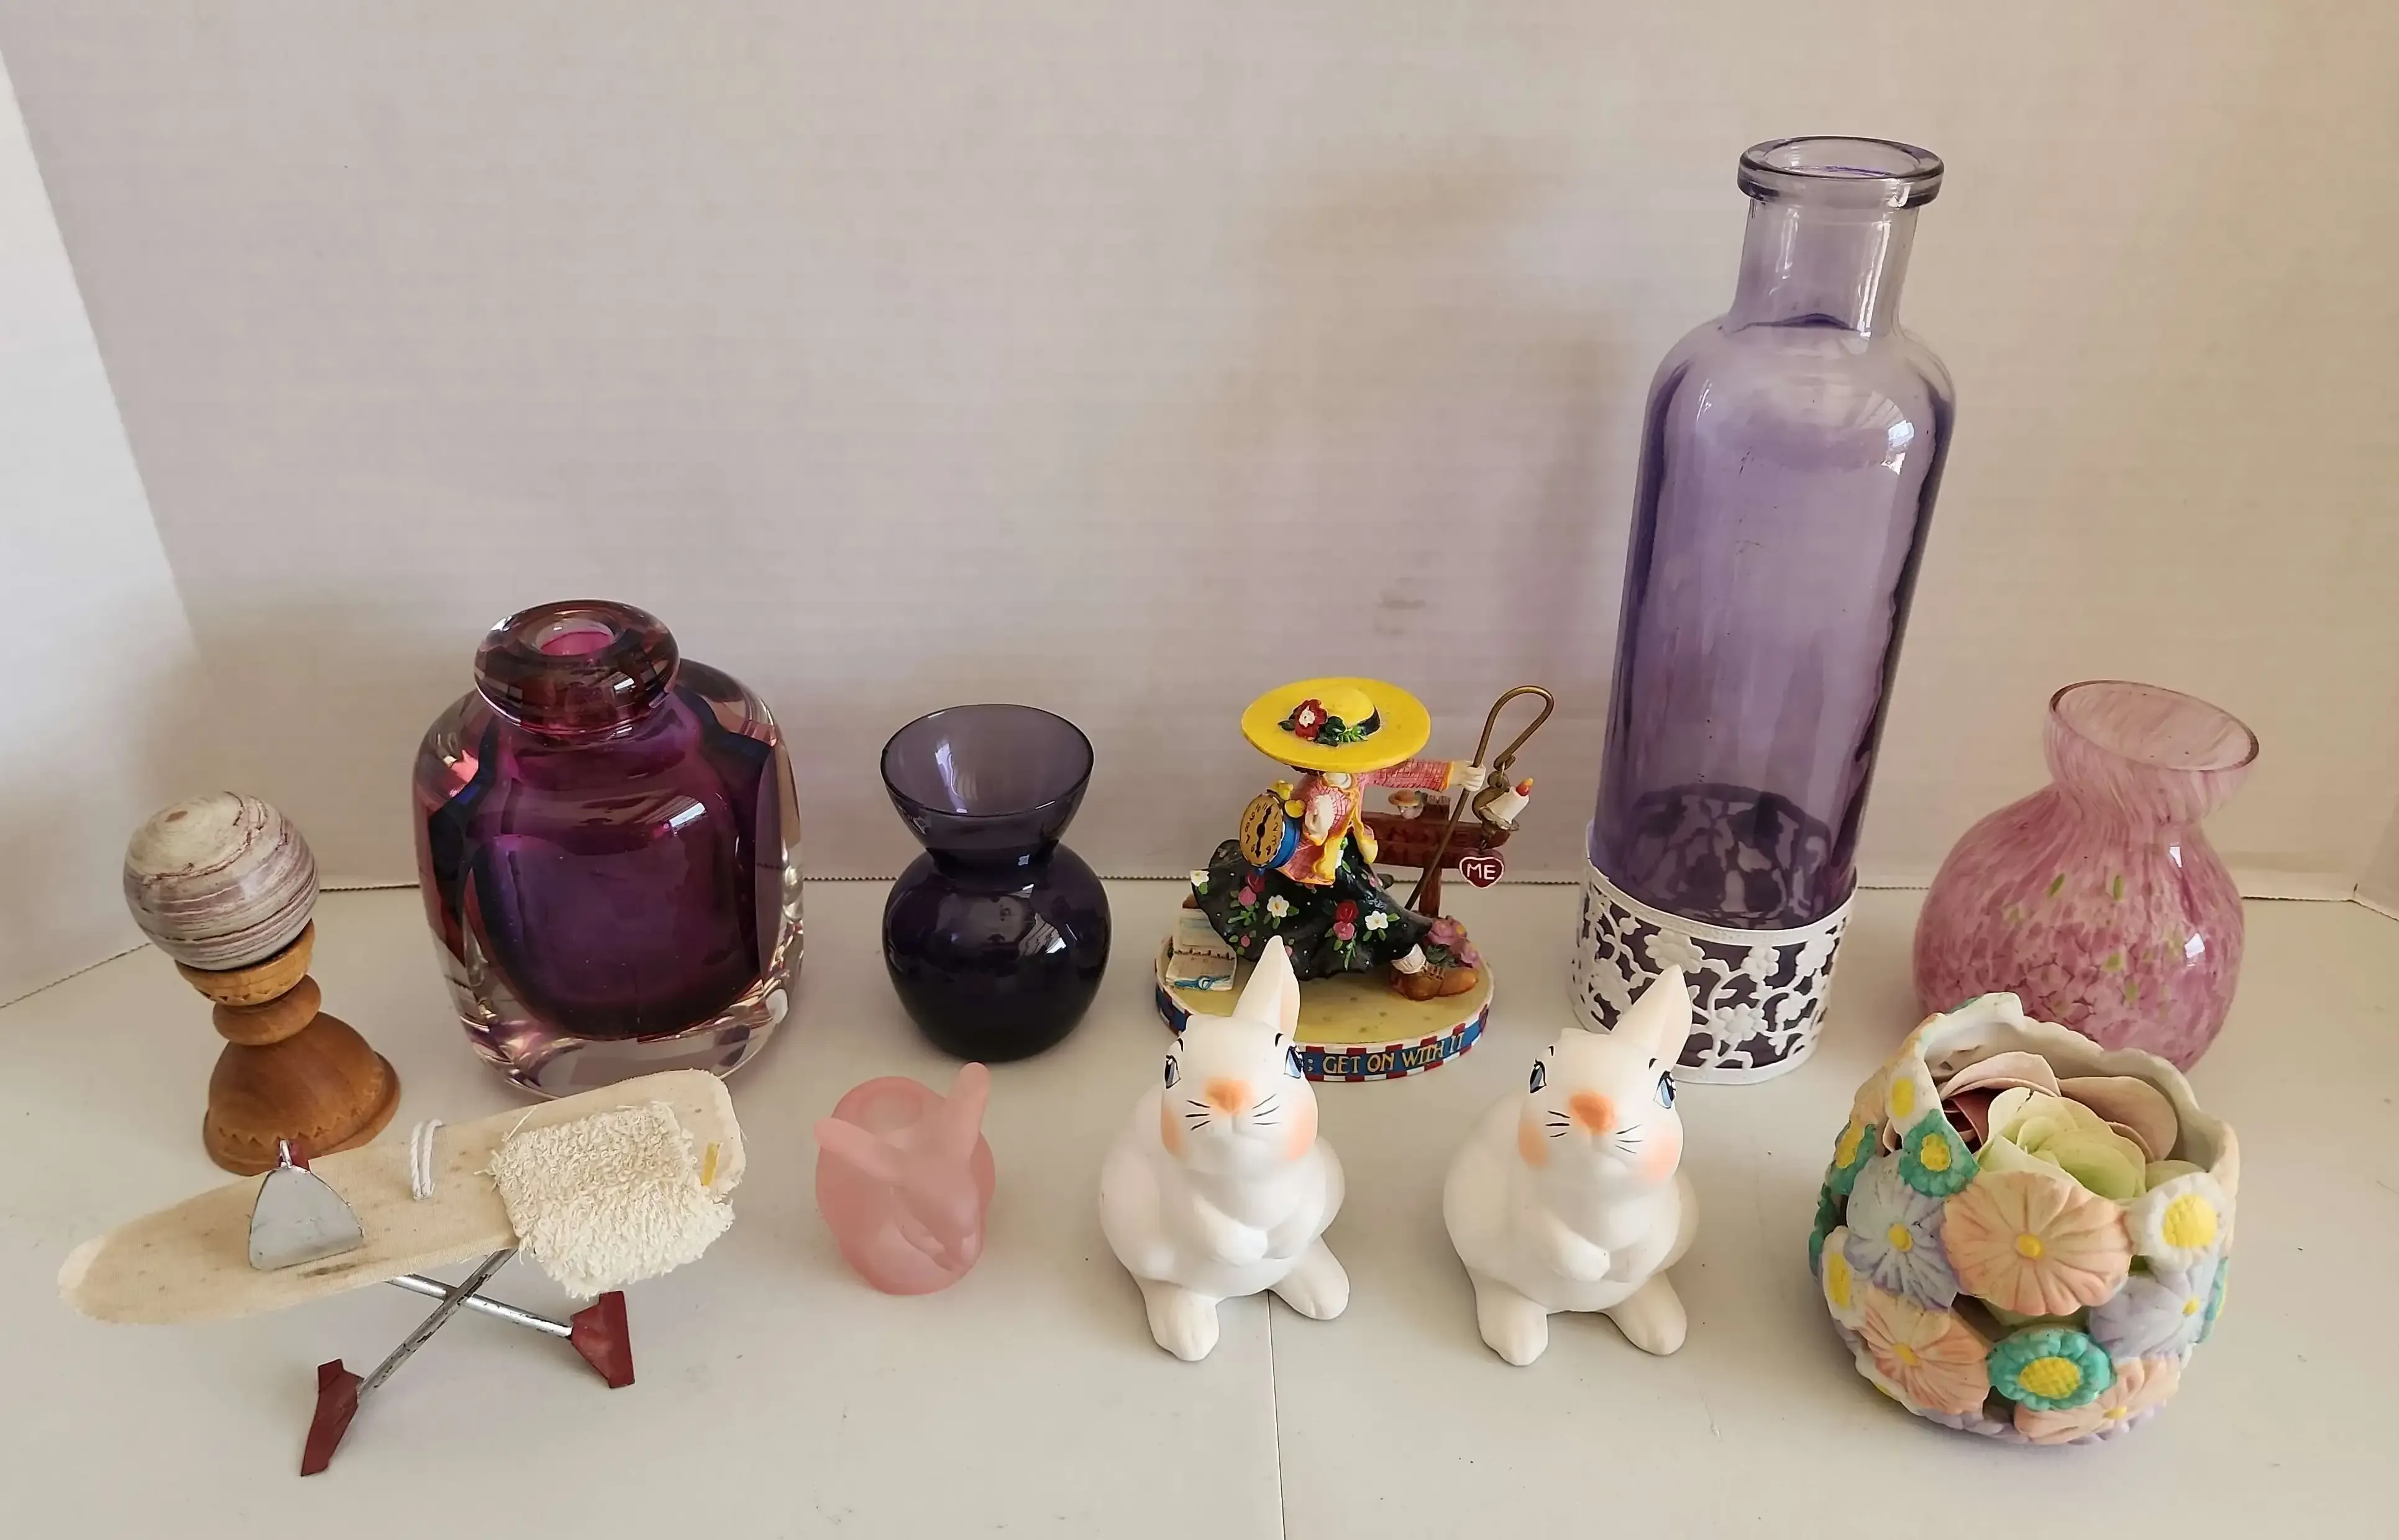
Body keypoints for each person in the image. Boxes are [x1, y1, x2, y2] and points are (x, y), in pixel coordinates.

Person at [1192, 677, 1485, 992]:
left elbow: (1397, 771)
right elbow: (1296, 834)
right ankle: (1416, 973)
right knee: (1374, 910)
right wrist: (1314, 830)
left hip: (1343, 854)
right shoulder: (1315, 793)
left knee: (1345, 905)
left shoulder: (1356, 774)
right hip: (1314, 867)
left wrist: (1451, 773)